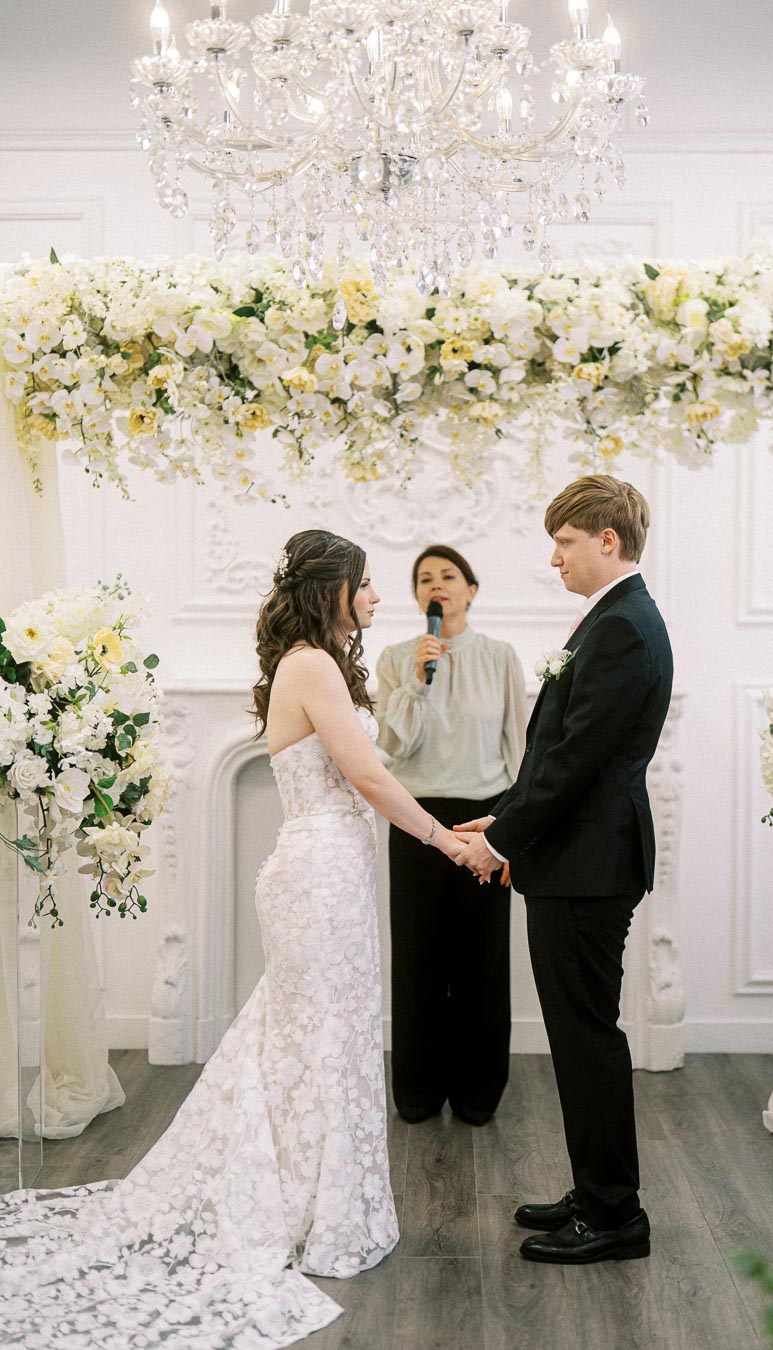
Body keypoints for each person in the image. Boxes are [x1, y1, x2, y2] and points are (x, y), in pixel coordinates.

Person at [0, 529, 465, 1346]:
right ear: (334, 589)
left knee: (321, 1035)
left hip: (335, 869)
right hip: (319, 871)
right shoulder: (311, 665)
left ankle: (304, 1196)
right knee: (316, 1036)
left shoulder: (318, 663)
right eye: (366, 584)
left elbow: (375, 757)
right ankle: (300, 1205)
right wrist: (446, 838)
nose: (378, 596)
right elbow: (365, 776)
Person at [455, 475, 673, 1265]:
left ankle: (615, 1216)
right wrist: (505, 815)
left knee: (586, 1040)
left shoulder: (620, 626)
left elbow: (578, 761)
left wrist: (503, 843)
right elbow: (562, 749)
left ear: (605, 541)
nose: (554, 558)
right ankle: (595, 1192)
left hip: (588, 867)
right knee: (581, 1037)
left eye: (565, 541)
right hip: (576, 859)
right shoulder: (613, 619)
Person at [376, 545, 526, 1126]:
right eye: (424, 580)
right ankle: (416, 1092)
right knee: (417, 957)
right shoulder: (396, 659)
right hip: (417, 819)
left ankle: (478, 1093)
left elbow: (519, 747)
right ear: (417, 598)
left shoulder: (500, 657)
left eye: (447, 577)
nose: (436, 586)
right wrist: (415, 679)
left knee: (481, 961)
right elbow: (391, 747)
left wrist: (515, 830)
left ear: (471, 589)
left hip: (486, 821)